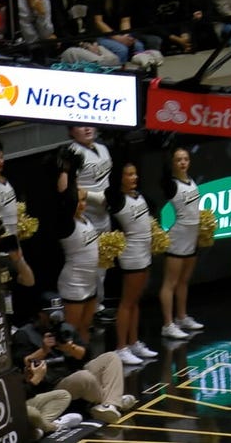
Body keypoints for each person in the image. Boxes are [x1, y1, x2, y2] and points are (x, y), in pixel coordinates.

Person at [12, 295, 137, 424]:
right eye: (51, 314)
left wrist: (70, 348)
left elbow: (86, 355)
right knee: (84, 377)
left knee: (111, 357)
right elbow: (22, 363)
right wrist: (43, 351)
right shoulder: (24, 334)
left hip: (73, 374)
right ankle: (114, 400)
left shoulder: (64, 328)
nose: (55, 318)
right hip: (52, 386)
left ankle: (110, 405)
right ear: (40, 314)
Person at [106, 162, 159, 365]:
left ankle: (134, 342)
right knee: (127, 303)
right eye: (129, 174)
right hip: (132, 254)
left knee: (136, 301)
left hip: (145, 252)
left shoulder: (138, 195)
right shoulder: (118, 199)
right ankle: (121, 347)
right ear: (120, 178)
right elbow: (102, 195)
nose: (134, 177)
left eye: (135, 173)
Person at [54, 149, 99, 344]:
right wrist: (66, 171)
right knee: (69, 335)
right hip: (74, 284)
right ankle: (70, 372)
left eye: (83, 200)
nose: (81, 203)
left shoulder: (87, 220)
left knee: (84, 329)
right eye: (78, 200)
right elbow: (65, 196)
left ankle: (86, 367)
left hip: (90, 283)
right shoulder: (66, 224)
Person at [159, 148, 204, 340]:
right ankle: (167, 325)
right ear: (173, 163)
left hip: (192, 236)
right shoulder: (172, 184)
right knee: (171, 282)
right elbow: (162, 176)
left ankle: (181, 317)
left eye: (185, 159)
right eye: (178, 160)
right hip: (178, 237)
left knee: (184, 281)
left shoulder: (191, 180)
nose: (183, 163)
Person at [68, 127, 112, 313]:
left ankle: (96, 304)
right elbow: (70, 186)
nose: (87, 128)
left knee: (104, 261)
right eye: (80, 125)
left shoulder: (103, 149)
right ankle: (86, 305)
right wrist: (96, 197)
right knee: (87, 262)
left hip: (105, 215)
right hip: (85, 216)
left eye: (89, 123)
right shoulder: (72, 153)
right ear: (71, 131)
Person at [0, 144, 35, 288]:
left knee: (27, 281)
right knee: (3, 286)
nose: (0, 161)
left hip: (13, 242)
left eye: (1, 157)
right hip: (0, 245)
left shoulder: (5, 180)